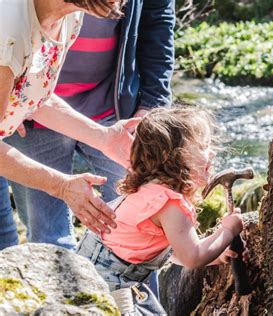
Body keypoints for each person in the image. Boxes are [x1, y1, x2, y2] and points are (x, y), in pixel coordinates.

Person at [1, 0, 175, 250]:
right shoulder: (8, 30)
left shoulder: (70, 19)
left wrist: (105, 137)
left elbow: (37, 94)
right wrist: (61, 185)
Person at [76, 107, 244, 296]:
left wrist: (215, 253)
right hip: (107, 287)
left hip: (86, 276)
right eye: (203, 146)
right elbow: (192, 257)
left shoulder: (147, 189)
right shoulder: (168, 204)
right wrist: (228, 231)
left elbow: (174, 251)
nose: (211, 153)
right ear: (169, 155)